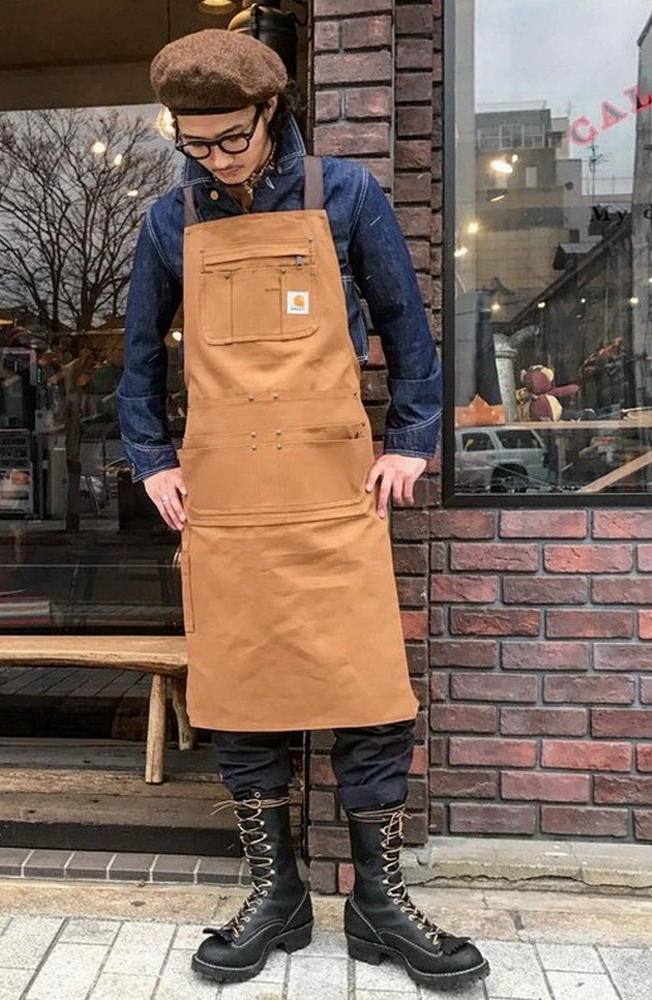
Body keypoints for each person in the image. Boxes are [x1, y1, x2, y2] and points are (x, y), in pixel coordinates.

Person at [117, 28, 489, 992]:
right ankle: (276, 896)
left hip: (332, 491)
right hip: (227, 497)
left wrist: (411, 438)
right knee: (241, 696)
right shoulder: (168, 221)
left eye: (230, 138)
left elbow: (408, 328)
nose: (214, 159)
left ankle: (378, 904)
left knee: (371, 695)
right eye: (194, 143)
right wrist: (152, 460)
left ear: (270, 112)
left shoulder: (347, 195)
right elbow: (138, 360)